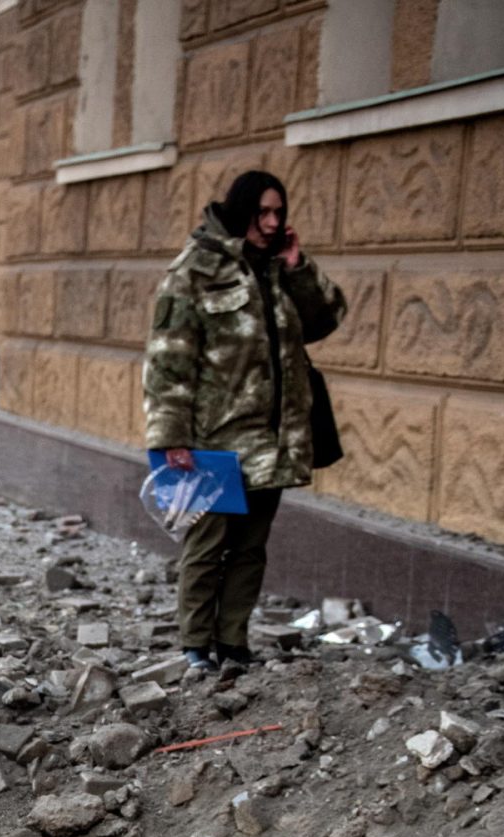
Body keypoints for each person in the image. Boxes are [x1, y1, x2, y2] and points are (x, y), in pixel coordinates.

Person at [144, 168, 345, 677]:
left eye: (280, 212)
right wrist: (171, 438)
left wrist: (298, 266)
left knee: (251, 548)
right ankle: (195, 647)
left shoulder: (277, 269)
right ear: (240, 211)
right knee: (207, 547)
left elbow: (324, 320)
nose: (273, 222)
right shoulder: (196, 269)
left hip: (272, 439)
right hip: (213, 440)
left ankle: (233, 642)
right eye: (263, 212)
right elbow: (169, 360)